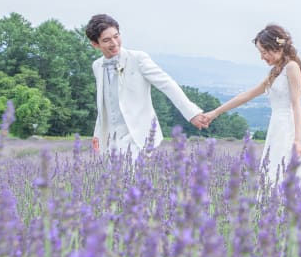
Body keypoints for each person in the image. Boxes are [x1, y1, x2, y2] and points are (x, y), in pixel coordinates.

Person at [202, 24, 301, 189]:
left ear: (275, 48)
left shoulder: (292, 67)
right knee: (274, 173)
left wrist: (298, 140)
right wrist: (214, 113)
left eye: (264, 52)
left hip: (290, 129)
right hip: (276, 129)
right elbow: (248, 95)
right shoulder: (276, 72)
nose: (262, 57)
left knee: (294, 176)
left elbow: (296, 105)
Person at [85, 14, 209, 155]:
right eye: (107, 40)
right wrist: (97, 133)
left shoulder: (138, 59)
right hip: (110, 141)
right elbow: (104, 103)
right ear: (95, 44)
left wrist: (192, 113)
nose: (114, 43)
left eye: (116, 36)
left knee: (134, 177)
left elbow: (167, 84)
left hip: (138, 138)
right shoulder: (97, 66)